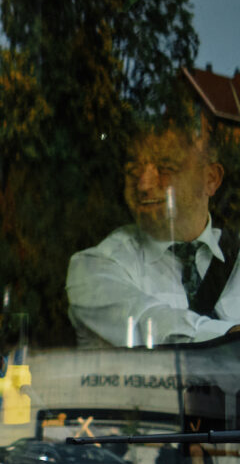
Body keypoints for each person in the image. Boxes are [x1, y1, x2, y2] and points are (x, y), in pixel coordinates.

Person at [68, 112, 240, 346]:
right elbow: (148, 324)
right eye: (133, 170)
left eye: (165, 167)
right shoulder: (95, 267)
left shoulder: (235, 258)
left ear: (210, 179)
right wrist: (231, 337)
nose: (144, 184)